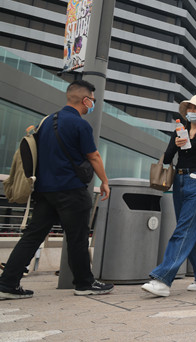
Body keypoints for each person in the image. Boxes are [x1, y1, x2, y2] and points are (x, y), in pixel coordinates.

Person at [0, 80, 114, 299]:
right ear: (85, 100)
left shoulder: (46, 122)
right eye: (93, 100)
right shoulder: (81, 125)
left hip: (45, 191)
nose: (93, 104)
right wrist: (105, 182)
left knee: (32, 237)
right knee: (77, 238)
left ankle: (7, 283)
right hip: (71, 190)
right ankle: (84, 284)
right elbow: (93, 155)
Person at [142, 94, 196, 297]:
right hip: (180, 180)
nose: (192, 111)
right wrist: (176, 144)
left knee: (184, 229)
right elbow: (167, 158)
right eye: (190, 108)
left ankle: (162, 279)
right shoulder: (181, 129)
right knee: (190, 229)